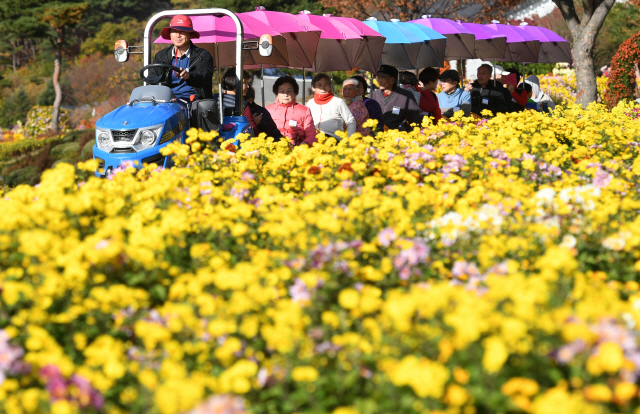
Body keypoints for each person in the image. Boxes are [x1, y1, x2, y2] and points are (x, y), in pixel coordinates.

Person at [152, 15, 214, 102]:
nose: (178, 35)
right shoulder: (161, 56)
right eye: (174, 31)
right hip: (166, 101)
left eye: (182, 31)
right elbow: (152, 80)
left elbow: (204, 77)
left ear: (191, 34)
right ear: (170, 34)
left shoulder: (202, 55)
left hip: (195, 102)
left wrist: (189, 76)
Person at [265, 75, 316, 146]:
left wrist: (304, 144)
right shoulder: (267, 110)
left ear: (294, 93)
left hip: (296, 149)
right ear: (276, 94)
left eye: (289, 91)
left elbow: (311, 134)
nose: (286, 94)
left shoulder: (304, 110)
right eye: (282, 91)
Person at [371, 65, 423, 131]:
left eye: (383, 78)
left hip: (397, 138)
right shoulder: (372, 96)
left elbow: (418, 118)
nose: (379, 81)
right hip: (375, 137)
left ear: (392, 80)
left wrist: (409, 133)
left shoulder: (405, 96)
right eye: (378, 78)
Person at [306, 73, 356, 139]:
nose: (322, 88)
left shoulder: (338, 101)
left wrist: (348, 140)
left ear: (330, 85)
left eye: (326, 85)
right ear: (313, 87)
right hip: (314, 139)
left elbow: (351, 122)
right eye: (319, 85)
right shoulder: (310, 103)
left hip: (333, 140)